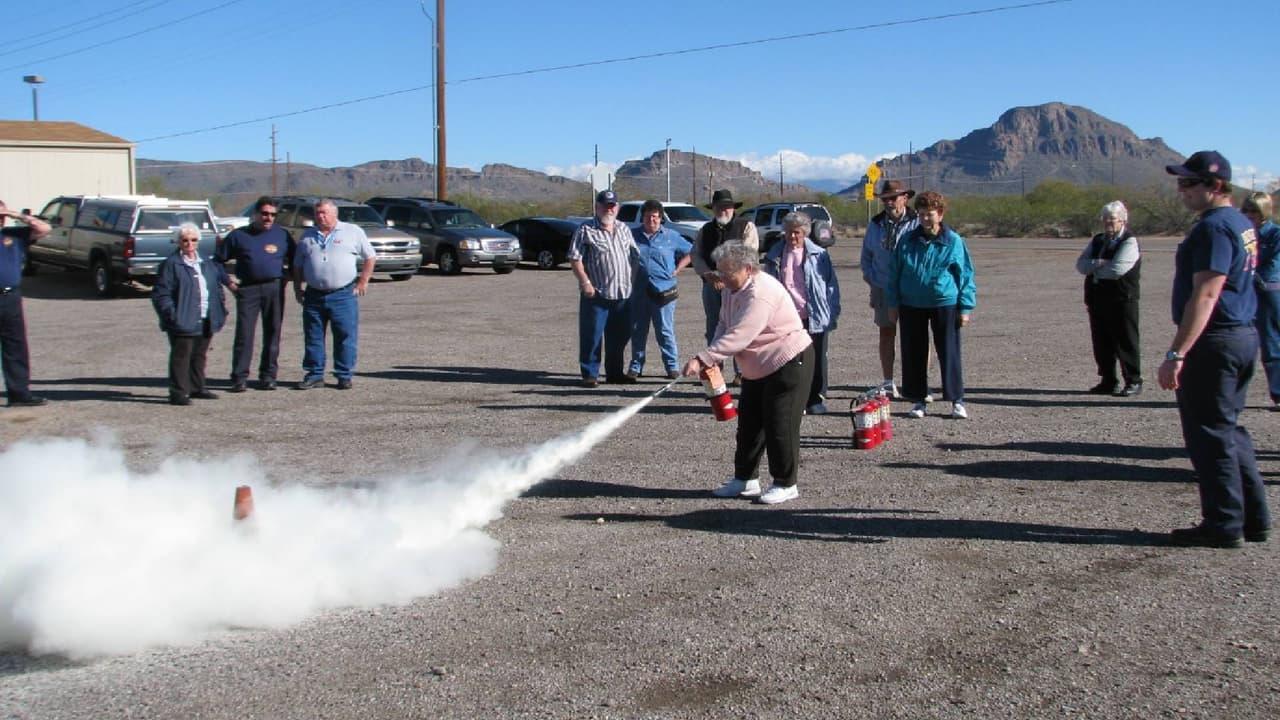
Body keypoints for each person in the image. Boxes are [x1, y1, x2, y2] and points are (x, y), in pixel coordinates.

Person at [1159, 151, 1270, 548]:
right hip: (1239, 333)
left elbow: (1206, 293)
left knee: (1209, 434)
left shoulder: (1213, 228)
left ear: (1216, 186)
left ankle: (1223, 523)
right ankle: (1253, 518)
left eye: (1190, 184)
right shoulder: (1239, 222)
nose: (1182, 191)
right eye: (1181, 183)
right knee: (1229, 429)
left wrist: (1177, 353)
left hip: (1216, 339)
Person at [682, 242, 814, 506]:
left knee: (780, 424)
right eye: (719, 271)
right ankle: (745, 479)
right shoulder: (732, 288)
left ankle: (785, 484)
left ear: (748, 269)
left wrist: (703, 358)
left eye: (727, 272)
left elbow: (742, 334)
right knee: (749, 425)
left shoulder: (760, 292)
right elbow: (724, 323)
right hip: (757, 368)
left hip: (788, 361)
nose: (721, 277)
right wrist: (713, 358)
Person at [886, 191, 976, 420]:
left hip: (944, 302)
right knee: (914, 352)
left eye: (930, 214)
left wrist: (965, 308)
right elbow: (894, 273)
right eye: (922, 214)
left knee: (949, 351)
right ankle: (918, 399)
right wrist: (892, 303)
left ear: (941, 214)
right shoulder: (907, 240)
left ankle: (956, 400)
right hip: (911, 304)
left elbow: (965, 275)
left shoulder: (953, 241)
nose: (926, 219)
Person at [291, 198, 377, 390]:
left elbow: (370, 257)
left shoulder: (352, 232)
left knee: (345, 335)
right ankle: (314, 374)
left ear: (335, 213)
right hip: (314, 295)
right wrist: (297, 287)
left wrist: (363, 281)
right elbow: (297, 265)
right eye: (317, 213)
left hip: (343, 294)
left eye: (324, 213)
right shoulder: (307, 236)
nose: (321, 217)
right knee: (313, 336)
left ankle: (344, 374)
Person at [764, 212, 840, 415]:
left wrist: (833, 311)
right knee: (788, 358)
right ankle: (793, 398)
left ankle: (815, 398)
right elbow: (767, 285)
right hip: (787, 317)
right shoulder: (775, 254)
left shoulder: (819, 255)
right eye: (788, 232)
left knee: (815, 358)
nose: (792, 236)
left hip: (814, 314)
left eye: (796, 232)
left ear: (805, 233)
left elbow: (831, 285)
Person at [217, 196, 295, 392]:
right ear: (256, 214)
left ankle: (268, 376)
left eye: (273, 215)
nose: (269, 218)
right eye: (265, 214)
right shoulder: (238, 236)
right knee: (244, 334)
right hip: (247, 289)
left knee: (273, 333)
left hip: (274, 289)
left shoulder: (282, 235)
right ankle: (239, 377)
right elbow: (217, 261)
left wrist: (287, 277)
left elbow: (296, 259)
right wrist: (230, 284)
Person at [152, 223, 233, 406]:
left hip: (206, 315)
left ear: (198, 241)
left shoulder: (206, 262)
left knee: (199, 354)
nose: (189, 243)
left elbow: (216, 286)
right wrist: (172, 315)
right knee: (181, 356)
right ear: (178, 242)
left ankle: (197, 387)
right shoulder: (171, 264)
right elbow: (161, 294)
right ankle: (179, 392)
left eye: (193, 240)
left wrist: (220, 307)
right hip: (183, 317)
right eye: (185, 240)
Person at [568, 189, 638, 388]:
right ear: (597, 207)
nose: (609, 209)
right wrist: (585, 282)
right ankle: (590, 374)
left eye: (613, 205)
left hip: (622, 293)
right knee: (592, 335)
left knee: (619, 337)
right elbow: (575, 258)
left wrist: (631, 280)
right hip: (597, 293)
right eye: (605, 205)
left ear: (617, 207)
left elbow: (634, 256)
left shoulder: (624, 228)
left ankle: (615, 373)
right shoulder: (586, 230)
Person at [691, 189, 759, 384]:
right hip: (711, 286)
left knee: (741, 326)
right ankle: (714, 368)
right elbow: (695, 255)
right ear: (713, 209)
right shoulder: (705, 230)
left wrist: (726, 276)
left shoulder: (746, 227)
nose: (723, 210)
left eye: (726, 206)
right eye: (719, 207)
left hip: (739, 287)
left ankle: (742, 371)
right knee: (713, 327)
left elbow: (749, 254)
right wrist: (708, 274)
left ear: (733, 208)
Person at [1075, 201, 1143, 396]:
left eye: (1111, 219)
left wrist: (1095, 268)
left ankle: (1133, 380)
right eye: (1105, 219)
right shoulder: (1098, 240)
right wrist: (1099, 262)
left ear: (1122, 219)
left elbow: (1117, 270)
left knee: (1126, 340)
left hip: (1122, 299)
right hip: (1097, 299)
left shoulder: (1129, 241)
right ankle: (1108, 380)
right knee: (1101, 342)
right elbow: (1081, 265)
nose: (1107, 223)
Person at [860, 179, 919, 398]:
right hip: (883, 287)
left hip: (912, 289)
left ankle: (916, 382)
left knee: (916, 336)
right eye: (885, 199)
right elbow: (866, 256)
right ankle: (888, 381)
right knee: (886, 333)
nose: (889, 202)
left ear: (905, 198)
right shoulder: (875, 225)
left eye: (893, 198)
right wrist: (872, 279)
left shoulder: (917, 222)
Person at [628, 199, 692, 380]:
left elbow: (692, 251)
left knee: (664, 330)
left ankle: (672, 366)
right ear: (642, 217)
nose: (651, 220)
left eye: (655, 217)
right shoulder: (632, 236)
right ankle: (635, 366)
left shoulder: (671, 236)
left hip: (663, 290)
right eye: (648, 217)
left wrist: (678, 269)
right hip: (639, 290)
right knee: (638, 330)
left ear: (661, 218)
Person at [0, 201, 51, 408]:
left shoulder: (15, 234)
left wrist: (14, 214)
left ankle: (19, 393)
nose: (1, 219)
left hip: (10, 298)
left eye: (1, 215)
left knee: (15, 346)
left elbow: (45, 229)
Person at [1242, 192, 1280, 407]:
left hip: (1272, 293)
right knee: (1264, 344)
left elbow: (1273, 268)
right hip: (1251, 292)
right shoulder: (1246, 235)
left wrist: (1251, 274)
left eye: (1254, 211)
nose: (1249, 215)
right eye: (1246, 210)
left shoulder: (1275, 234)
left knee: (1273, 342)